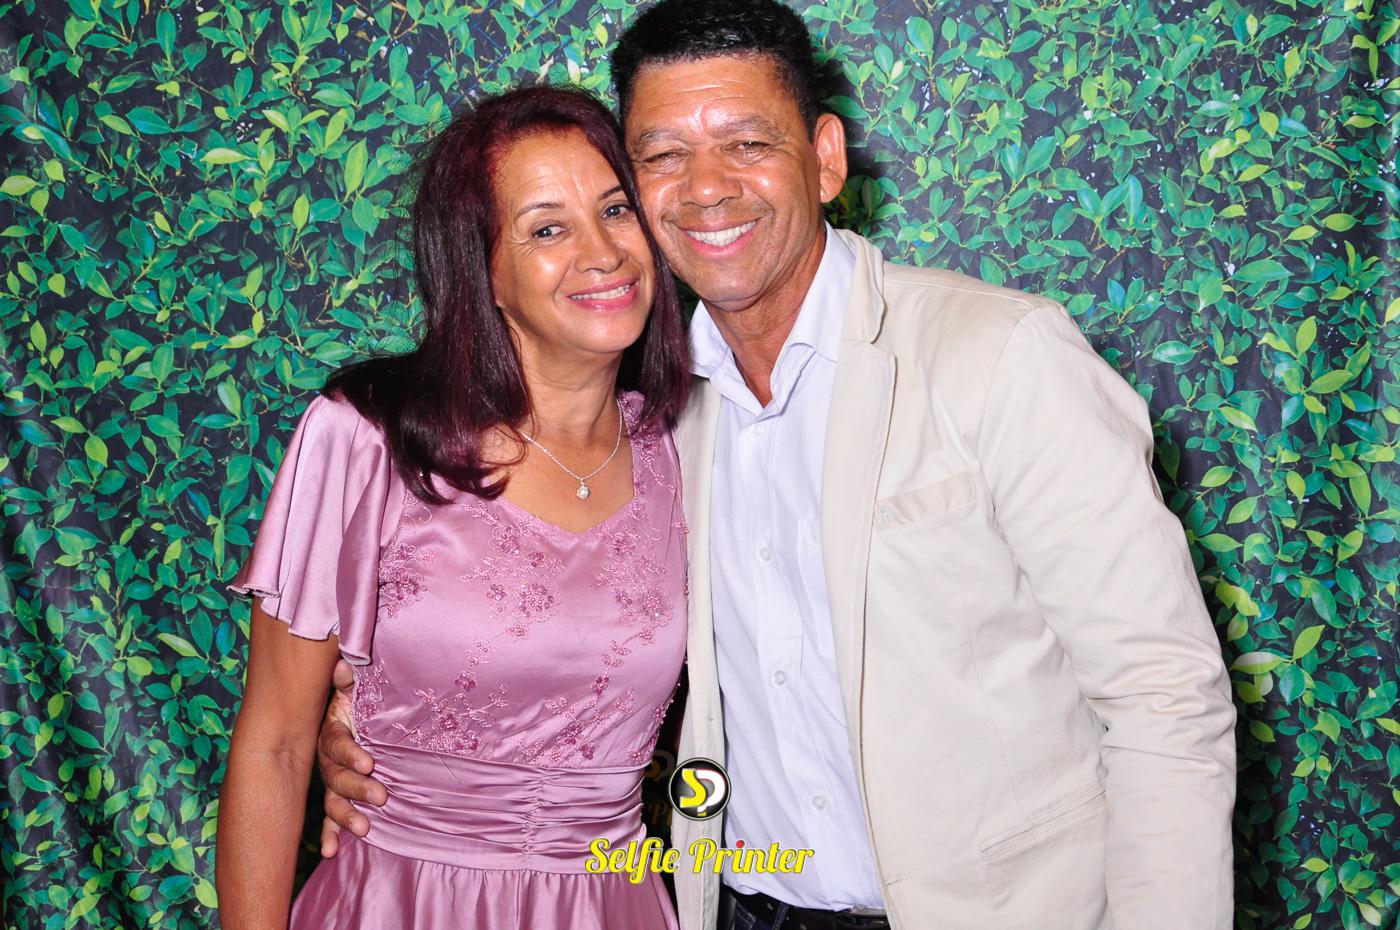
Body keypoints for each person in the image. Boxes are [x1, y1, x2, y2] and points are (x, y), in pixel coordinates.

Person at [317, 2, 1239, 928]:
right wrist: (395, 741)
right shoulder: (649, 424)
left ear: (826, 158)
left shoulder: (999, 356)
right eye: (663, 155)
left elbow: (1164, 698)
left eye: (748, 143)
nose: (706, 188)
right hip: (736, 906)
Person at [215, 85, 692, 930]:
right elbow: (276, 744)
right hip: (399, 902)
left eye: (615, 210)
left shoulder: (686, 447)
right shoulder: (367, 438)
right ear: (484, 272)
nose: (602, 253)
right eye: (546, 229)